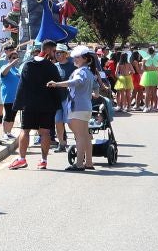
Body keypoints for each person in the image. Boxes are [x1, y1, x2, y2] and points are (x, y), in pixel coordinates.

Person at [10, 41, 61, 170]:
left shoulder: (28, 65)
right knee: (45, 132)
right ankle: (43, 161)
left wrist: (18, 104)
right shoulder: (52, 67)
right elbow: (57, 86)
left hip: (29, 104)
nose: (55, 54)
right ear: (48, 50)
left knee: (25, 130)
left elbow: (22, 85)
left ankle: (21, 159)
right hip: (47, 105)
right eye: (54, 51)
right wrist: (57, 104)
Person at [47, 45, 98, 170]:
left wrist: (57, 84)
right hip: (85, 106)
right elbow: (96, 88)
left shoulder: (80, 71)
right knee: (85, 135)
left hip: (78, 107)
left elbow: (76, 82)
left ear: (85, 59)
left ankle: (80, 164)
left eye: (78, 57)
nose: (74, 59)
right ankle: (89, 162)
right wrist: (91, 94)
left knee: (80, 136)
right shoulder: (89, 72)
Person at [139, 48, 158, 114]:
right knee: (154, 92)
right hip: (155, 74)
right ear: (154, 52)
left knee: (147, 93)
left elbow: (143, 69)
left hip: (147, 75)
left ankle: (147, 107)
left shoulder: (145, 59)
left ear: (147, 52)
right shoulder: (157, 59)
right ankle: (155, 107)